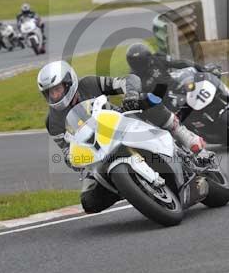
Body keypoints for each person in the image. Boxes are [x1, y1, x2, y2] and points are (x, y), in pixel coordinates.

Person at [38, 60, 207, 214]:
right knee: (89, 202)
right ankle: (130, 187)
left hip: (121, 124)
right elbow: (66, 151)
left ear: (69, 83)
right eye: (49, 93)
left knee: (147, 101)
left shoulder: (88, 84)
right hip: (96, 154)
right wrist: (75, 159)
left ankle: (183, 135)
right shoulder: (52, 122)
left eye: (57, 90)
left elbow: (127, 80)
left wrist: (130, 95)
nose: (54, 96)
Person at [125, 43, 222, 94]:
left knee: (203, 84)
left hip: (178, 88)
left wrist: (203, 69)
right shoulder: (134, 79)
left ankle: (225, 96)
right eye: (138, 63)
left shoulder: (157, 58)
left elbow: (180, 63)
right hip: (164, 106)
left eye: (144, 61)